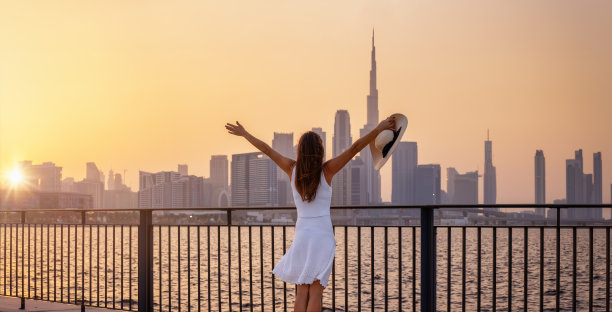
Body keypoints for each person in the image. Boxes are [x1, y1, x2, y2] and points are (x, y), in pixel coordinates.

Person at [225, 116, 395, 312]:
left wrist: (245, 134)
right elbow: (355, 148)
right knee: (316, 292)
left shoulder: (292, 170)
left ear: (300, 151)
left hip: (302, 236)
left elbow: (267, 150)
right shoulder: (327, 170)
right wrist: (379, 127)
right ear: (319, 151)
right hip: (322, 236)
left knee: (302, 291)